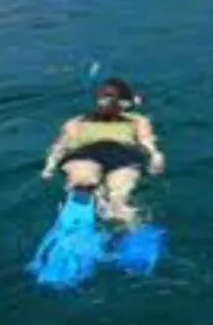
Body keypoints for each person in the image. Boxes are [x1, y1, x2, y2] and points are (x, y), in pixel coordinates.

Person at [40, 77, 165, 226]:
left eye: (110, 97)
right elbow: (60, 146)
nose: (103, 101)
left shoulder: (137, 121)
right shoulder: (77, 122)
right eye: (101, 96)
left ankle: (128, 228)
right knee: (83, 180)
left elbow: (147, 142)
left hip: (123, 154)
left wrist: (156, 158)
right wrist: (50, 166)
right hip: (86, 154)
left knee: (119, 195)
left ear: (121, 103)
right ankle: (79, 217)